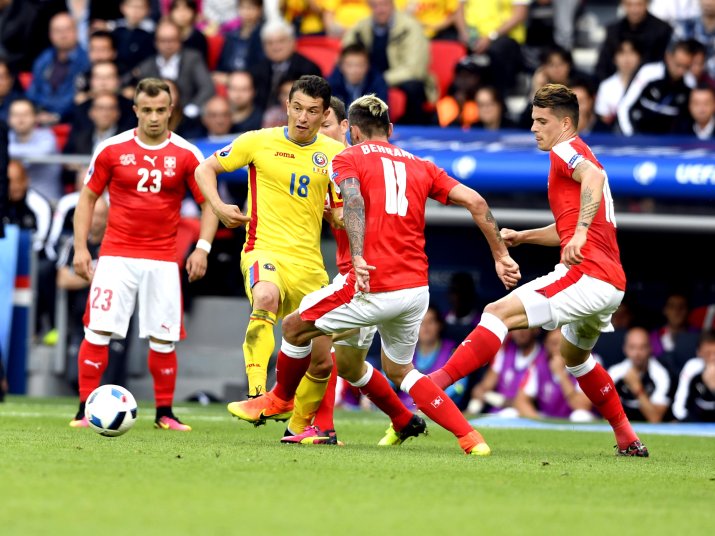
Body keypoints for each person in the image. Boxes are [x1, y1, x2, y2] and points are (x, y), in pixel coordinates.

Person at [229, 94, 520, 456]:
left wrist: (361, 255)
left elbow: (353, 201)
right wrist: (500, 255)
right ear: (391, 129)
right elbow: (476, 202)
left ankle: (279, 399)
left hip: (369, 283)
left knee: (293, 326)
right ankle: (468, 438)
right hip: (415, 291)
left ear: (350, 131)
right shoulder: (421, 165)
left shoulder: (346, 157)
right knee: (396, 370)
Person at [429, 83, 650, 457]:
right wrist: (525, 236)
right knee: (575, 358)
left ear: (565, 123)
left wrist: (578, 235)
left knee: (495, 313)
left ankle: (430, 390)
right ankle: (628, 437)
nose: (534, 128)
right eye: (532, 120)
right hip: (610, 283)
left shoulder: (567, 149)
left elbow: (593, 182)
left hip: (587, 273)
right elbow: (568, 224)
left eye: (541, 121)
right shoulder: (576, 153)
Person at [68, 77, 219, 431]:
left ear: (171, 111)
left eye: (161, 110)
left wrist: (203, 248)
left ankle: (164, 413)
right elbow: (88, 197)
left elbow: (209, 204)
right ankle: (83, 410)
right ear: (135, 110)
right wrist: (79, 248)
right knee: (98, 331)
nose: (154, 117)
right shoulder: (111, 149)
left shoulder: (186, 154)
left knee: (163, 337)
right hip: (116, 255)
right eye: (147, 110)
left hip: (163, 259)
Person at [283, 96, 428, 446]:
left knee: (316, 341)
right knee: (349, 365)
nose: (318, 129)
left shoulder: (355, 162)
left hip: (367, 277)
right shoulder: (326, 169)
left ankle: (321, 426)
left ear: (348, 129)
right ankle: (403, 417)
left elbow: (362, 206)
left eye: (326, 122)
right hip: (358, 273)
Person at [194, 75, 345, 411]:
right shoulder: (258, 141)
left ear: (324, 116)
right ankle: (256, 392)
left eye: (312, 111)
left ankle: (304, 424)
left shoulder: (337, 154)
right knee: (265, 296)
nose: (303, 118)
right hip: (263, 249)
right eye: (297, 108)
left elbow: (342, 211)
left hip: (309, 264)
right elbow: (204, 169)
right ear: (286, 107)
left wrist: (337, 216)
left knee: (321, 359)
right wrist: (219, 208)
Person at [617, 39, 695, 136]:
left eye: (686, 67)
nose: (681, 71)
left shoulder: (690, 83)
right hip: (638, 134)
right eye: (678, 65)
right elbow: (624, 106)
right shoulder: (649, 73)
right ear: (668, 57)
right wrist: (631, 136)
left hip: (670, 142)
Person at [514, 329, 594, 421]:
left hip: (575, 421)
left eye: (564, 344)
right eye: (554, 343)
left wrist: (561, 374)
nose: (559, 349)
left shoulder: (586, 364)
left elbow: (582, 406)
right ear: (546, 345)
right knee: (512, 413)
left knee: (580, 416)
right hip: (547, 420)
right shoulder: (538, 365)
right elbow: (520, 401)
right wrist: (539, 423)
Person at [467, 327, 544, 415]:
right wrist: (478, 397)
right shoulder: (505, 350)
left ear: (536, 330)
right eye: (517, 328)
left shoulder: (543, 358)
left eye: (525, 328)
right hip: (495, 414)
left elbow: (523, 403)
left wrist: (495, 399)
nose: (520, 332)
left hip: (523, 416)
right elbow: (483, 387)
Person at [607, 327, 671, 423]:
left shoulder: (661, 375)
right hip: (621, 426)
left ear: (650, 348)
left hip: (649, 429)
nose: (637, 353)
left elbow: (655, 418)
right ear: (625, 349)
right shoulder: (615, 372)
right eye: (632, 347)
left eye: (642, 347)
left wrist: (637, 388)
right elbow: (605, 412)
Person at [672, 330, 715, 422]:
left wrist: (713, 388)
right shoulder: (692, 368)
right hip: (695, 423)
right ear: (699, 353)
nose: (712, 358)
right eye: (708, 353)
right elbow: (678, 407)